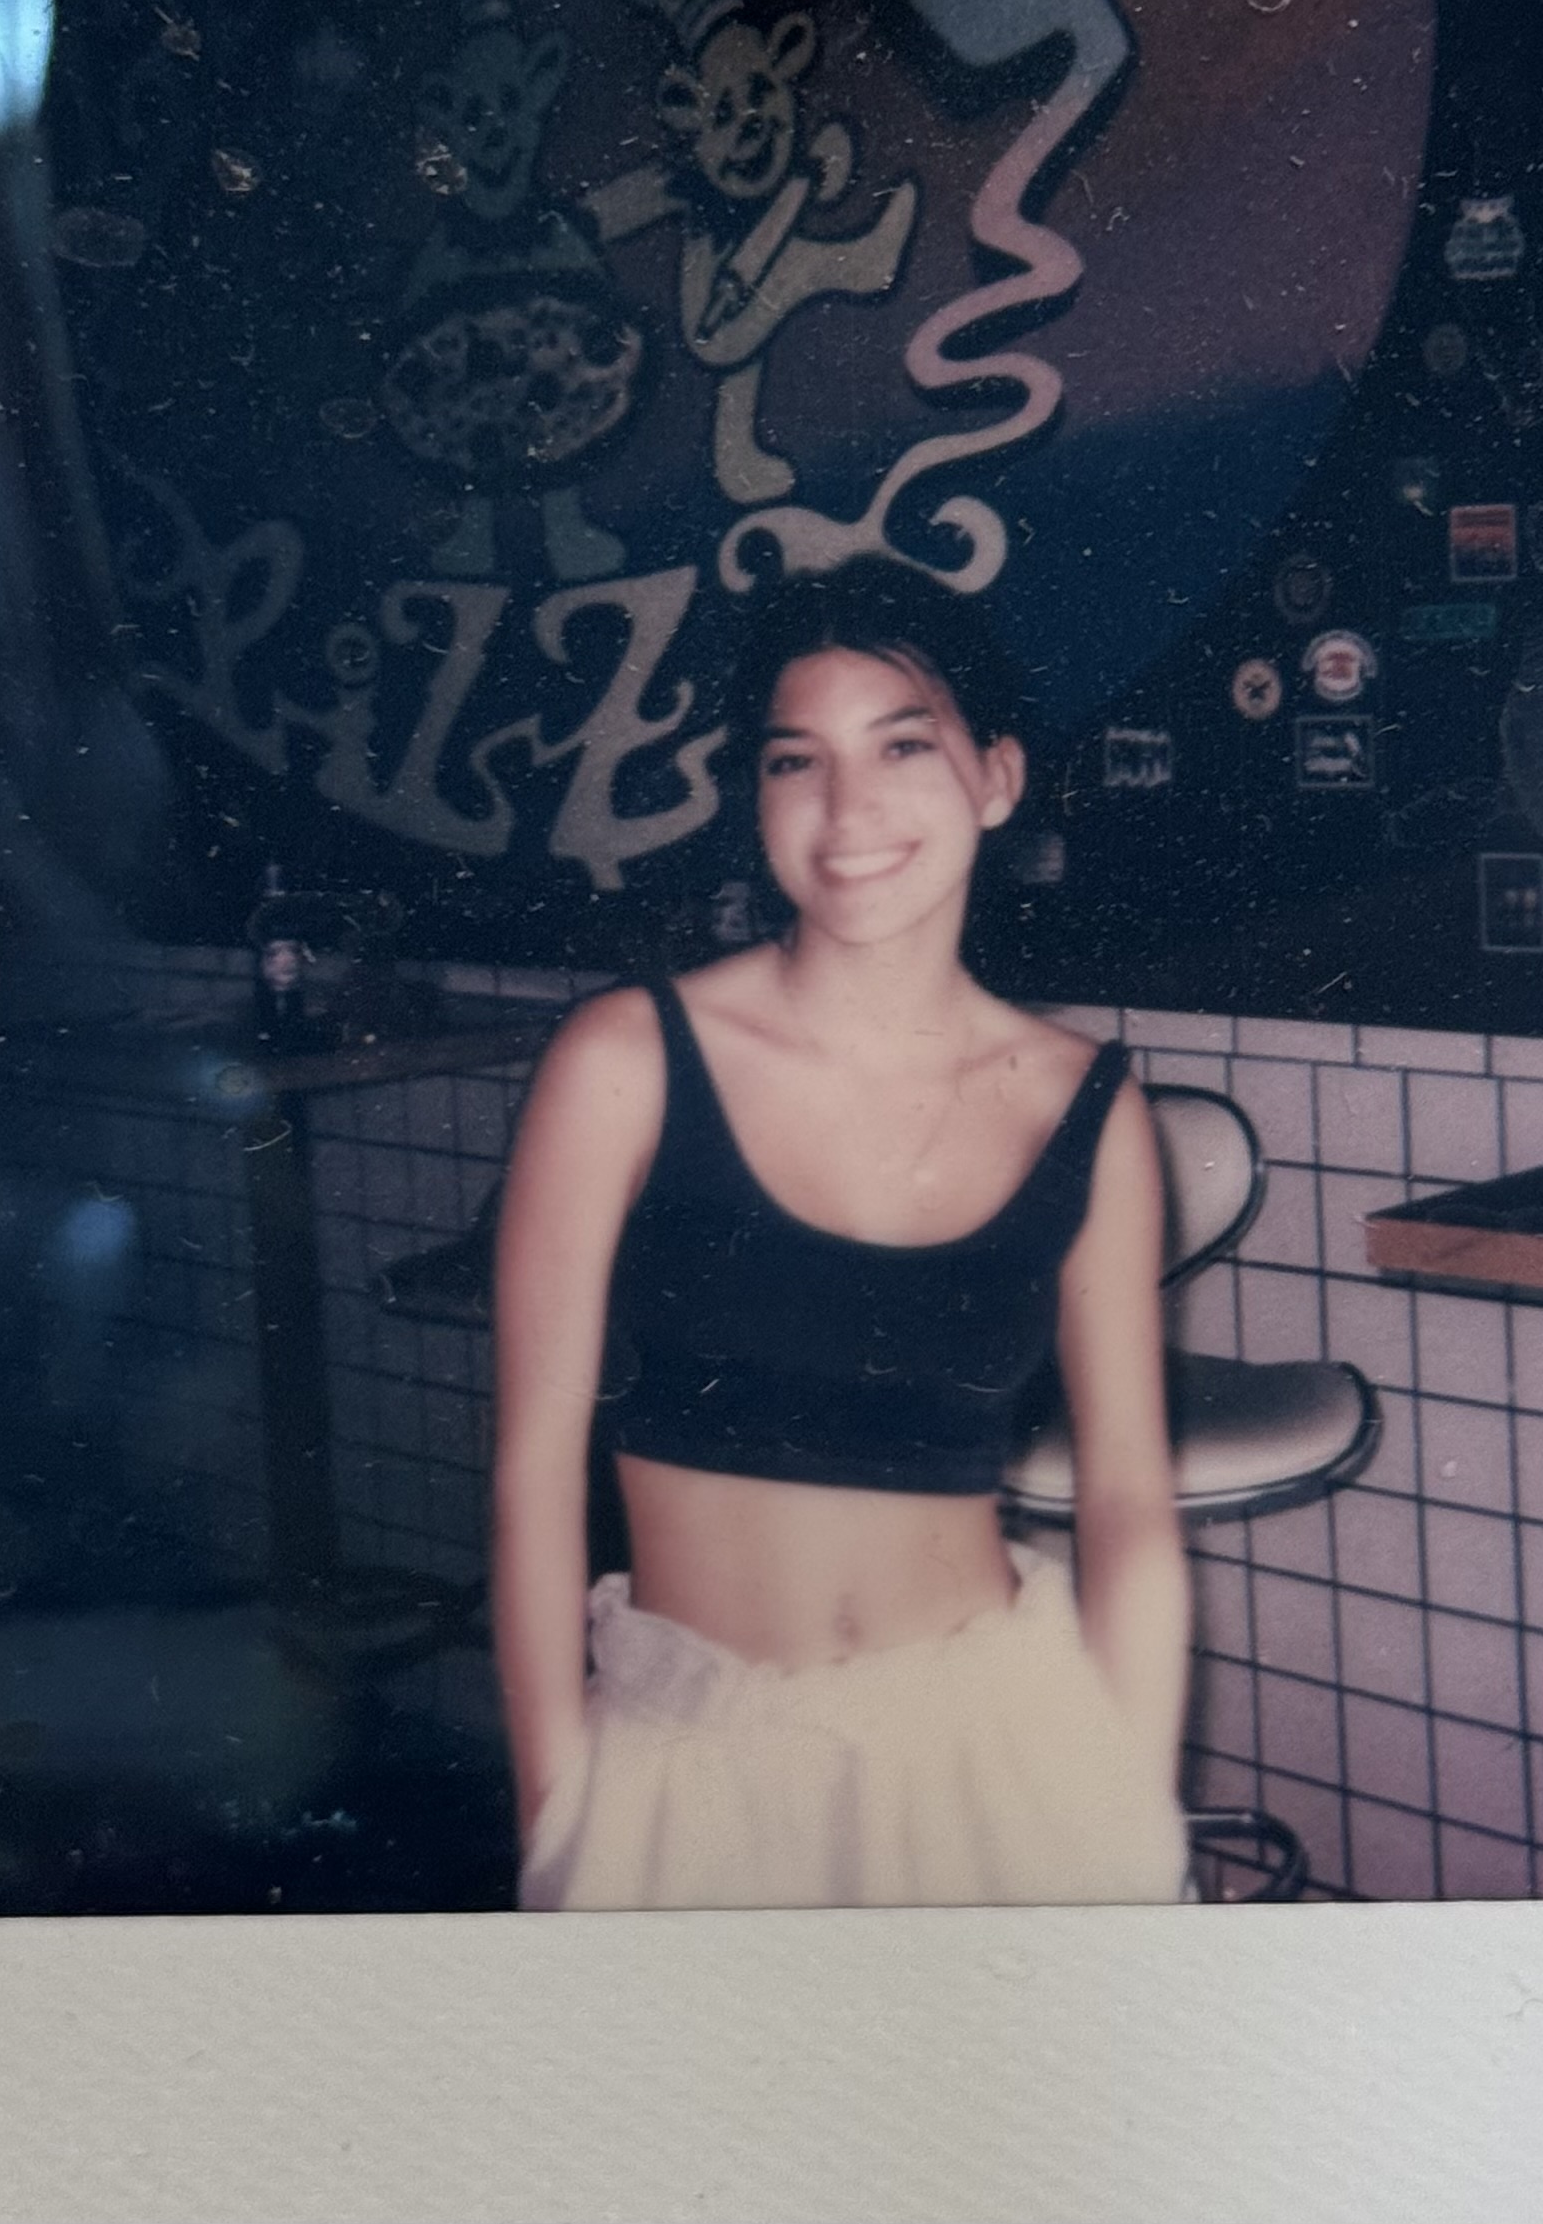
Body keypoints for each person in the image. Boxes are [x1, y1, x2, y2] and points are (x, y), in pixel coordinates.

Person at [490, 559, 1192, 1908]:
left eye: (902, 746)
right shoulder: (627, 1059)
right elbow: (529, 1469)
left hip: (998, 1743)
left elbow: (1125, 1494)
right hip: (686, 1763)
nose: (847, 809)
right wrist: (553, 1798)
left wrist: (1127, 1796)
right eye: (793, 759)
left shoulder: (1085, 1104)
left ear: (994, 778)